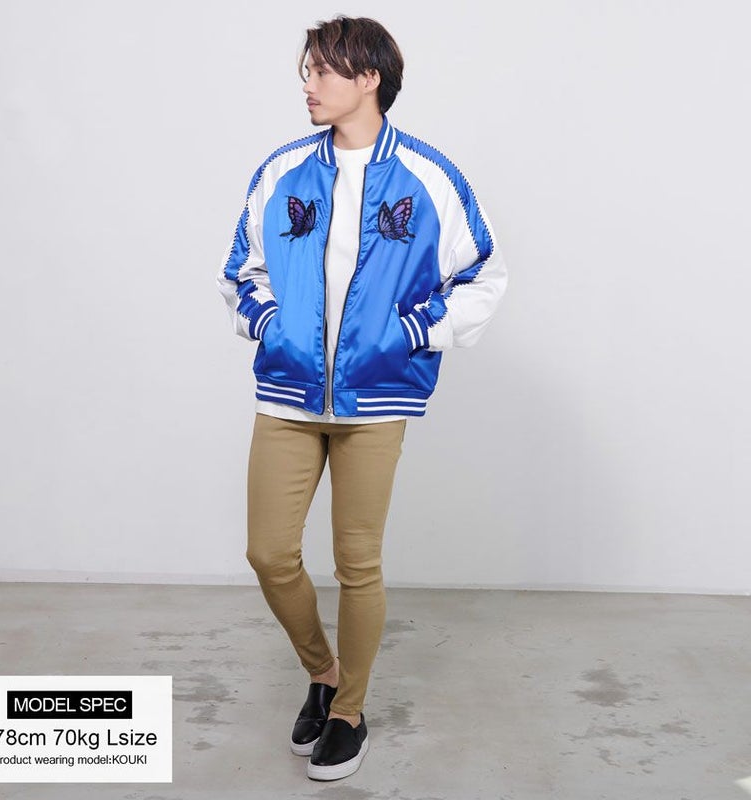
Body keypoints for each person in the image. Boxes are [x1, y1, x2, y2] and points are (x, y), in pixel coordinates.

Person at [216, 14, 508, 781]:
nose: (307, 85)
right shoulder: (283, 173)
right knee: (269, 554)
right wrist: (272, 325)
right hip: (287, 394)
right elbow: (241, 270)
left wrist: (413, 331)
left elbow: (483, 272)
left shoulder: (428, 176)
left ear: (368, 77)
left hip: (375, 400)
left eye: (321, 70)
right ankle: (323, 671)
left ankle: (348, 712)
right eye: (307, 70)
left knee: (357, 563)